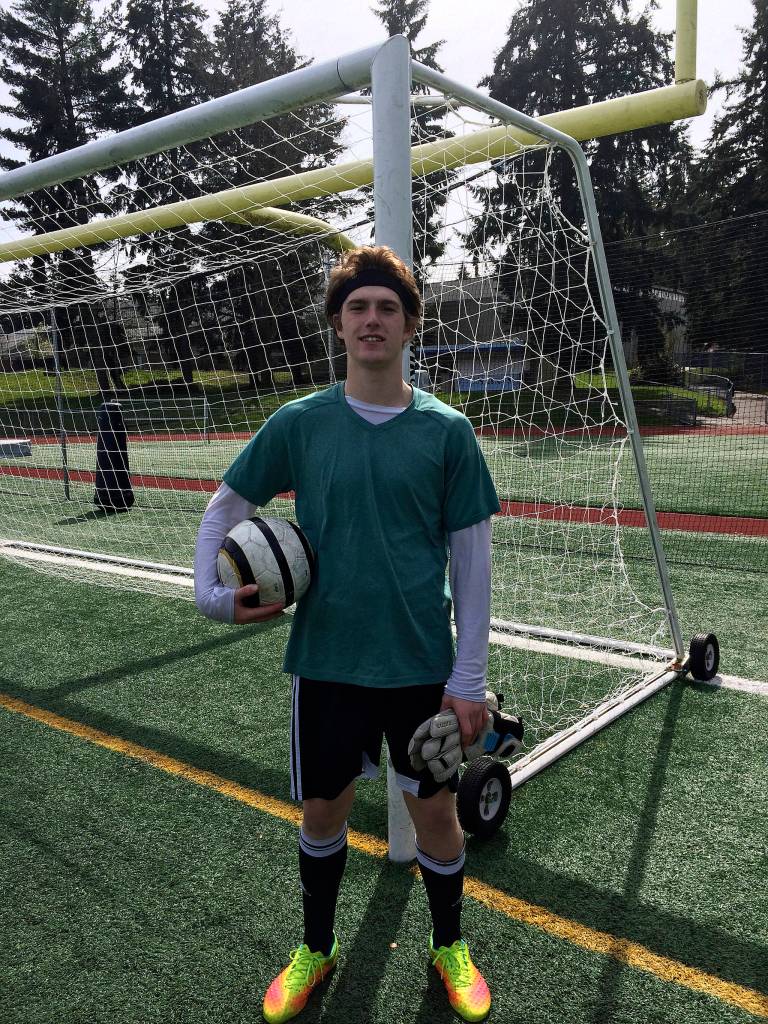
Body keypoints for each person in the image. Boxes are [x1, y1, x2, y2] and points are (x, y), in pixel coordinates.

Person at [194, 245, 500, 1023]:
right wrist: (213, 598)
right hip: (326, 662)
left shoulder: (448, 431)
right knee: (323, 812)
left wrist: (467, 678)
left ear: (410, 326)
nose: (372, 320)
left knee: (436, 815)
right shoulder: (299, 423)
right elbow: (225, 508)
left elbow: (471, 562)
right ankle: (316, 949)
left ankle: (450, 946)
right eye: (358, 307)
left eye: (387, 308)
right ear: (338, 325)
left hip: (418, 665)